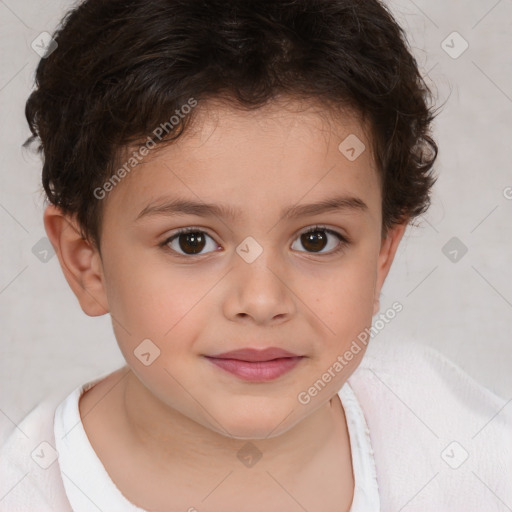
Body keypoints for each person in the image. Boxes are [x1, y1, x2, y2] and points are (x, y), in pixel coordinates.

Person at [1, 0, 510, 510]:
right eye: (191, 241)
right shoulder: (26, 490)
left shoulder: (463, 445)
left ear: (381, 257)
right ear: (86, 262)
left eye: (317, 239)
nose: (262, 301)